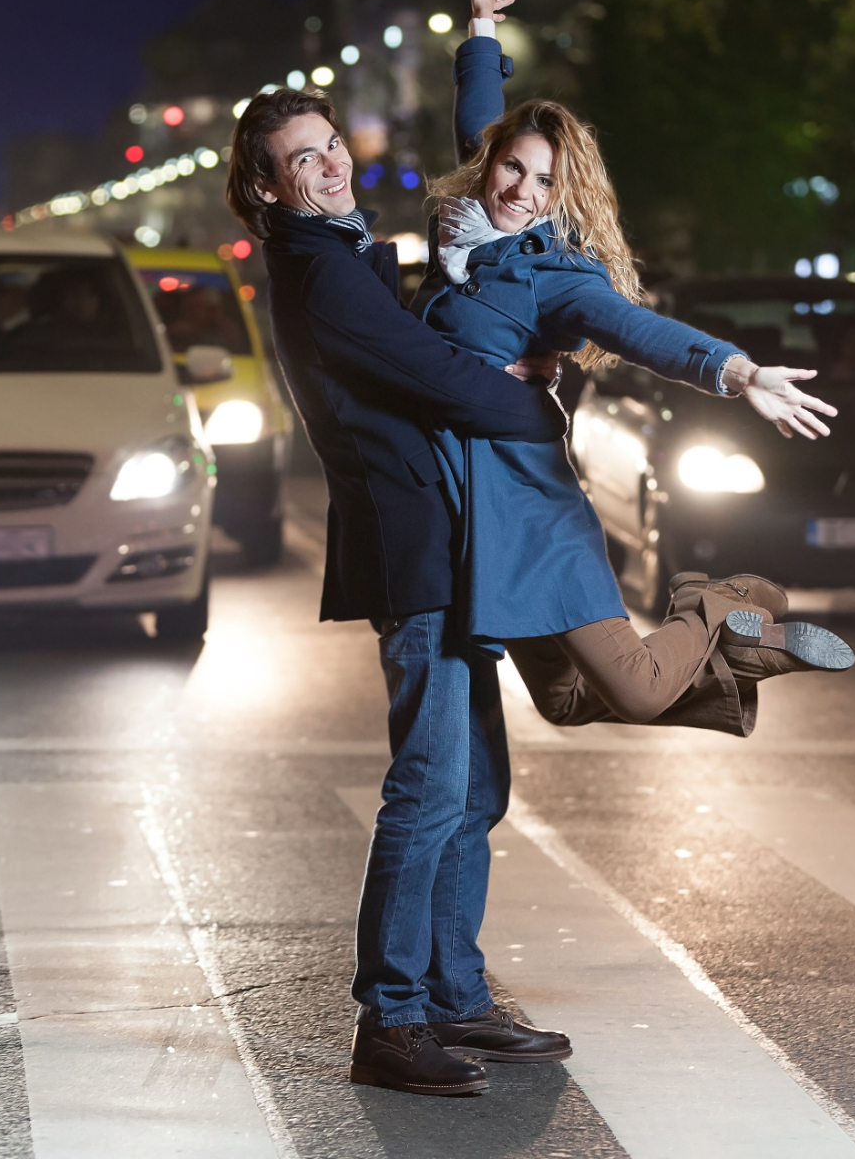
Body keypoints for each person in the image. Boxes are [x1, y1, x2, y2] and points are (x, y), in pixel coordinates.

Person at [226, 88, 574, 1098]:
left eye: (332, 145)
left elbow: (486, 184)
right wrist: (536, 399)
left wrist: (477, 50)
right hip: (414, 547)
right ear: (265, 186)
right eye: (304, 159)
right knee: (429, 790)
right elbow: (438, 372)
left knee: (474, 788)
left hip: (445, 544)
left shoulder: (342, 253)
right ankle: (391, 1016)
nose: (332, 164)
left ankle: (456, 992)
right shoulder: (322, 273)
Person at [412, 0, 855, 739]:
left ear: (562, 195)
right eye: (513, 166)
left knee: (643, 690)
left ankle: (713, 603)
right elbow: (479, 113)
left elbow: (642, 331)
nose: (520, 189)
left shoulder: (555, 276)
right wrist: (482, 27)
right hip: (474, 520)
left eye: (544, 182)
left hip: (532, 510)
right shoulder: (461, 233)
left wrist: (738, 370)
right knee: (563, 703)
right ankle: (745, 656)